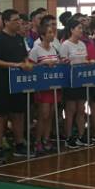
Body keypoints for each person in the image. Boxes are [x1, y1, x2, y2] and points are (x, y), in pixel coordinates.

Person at [0, 8, 33, 164]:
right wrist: (15, 65)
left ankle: (19, 144)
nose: (19, 23)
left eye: (19, 20)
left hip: (18, 83)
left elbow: (24, 56)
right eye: (15, 20)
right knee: (2, 116)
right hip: (3, 83)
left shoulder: (19, 38)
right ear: (6, 22)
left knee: (18, 114)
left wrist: (26, 63)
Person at [28, 18, 61, 155]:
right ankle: (38, 141)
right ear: (42, 35)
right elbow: (30, 67)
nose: (52, 35)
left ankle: (47, 140)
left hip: (54, 86)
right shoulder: (36, 50)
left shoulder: (53, 48)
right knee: (43, 115)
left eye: (53, 32)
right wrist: (42, 64)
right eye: (49, 33)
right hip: (42, 87)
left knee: (51, 114)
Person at [59, 19, 90, 148]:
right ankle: (69, 136)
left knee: (81, 109)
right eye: (79, 28)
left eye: (82, 28)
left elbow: (85, 59)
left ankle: (81, 136)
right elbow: (63, 62)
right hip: (70, 82)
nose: (81, 30)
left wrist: (88, 62)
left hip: (81, 81)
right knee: (70, 110)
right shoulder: (65, 45)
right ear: (71, 30)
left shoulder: (82, 44)